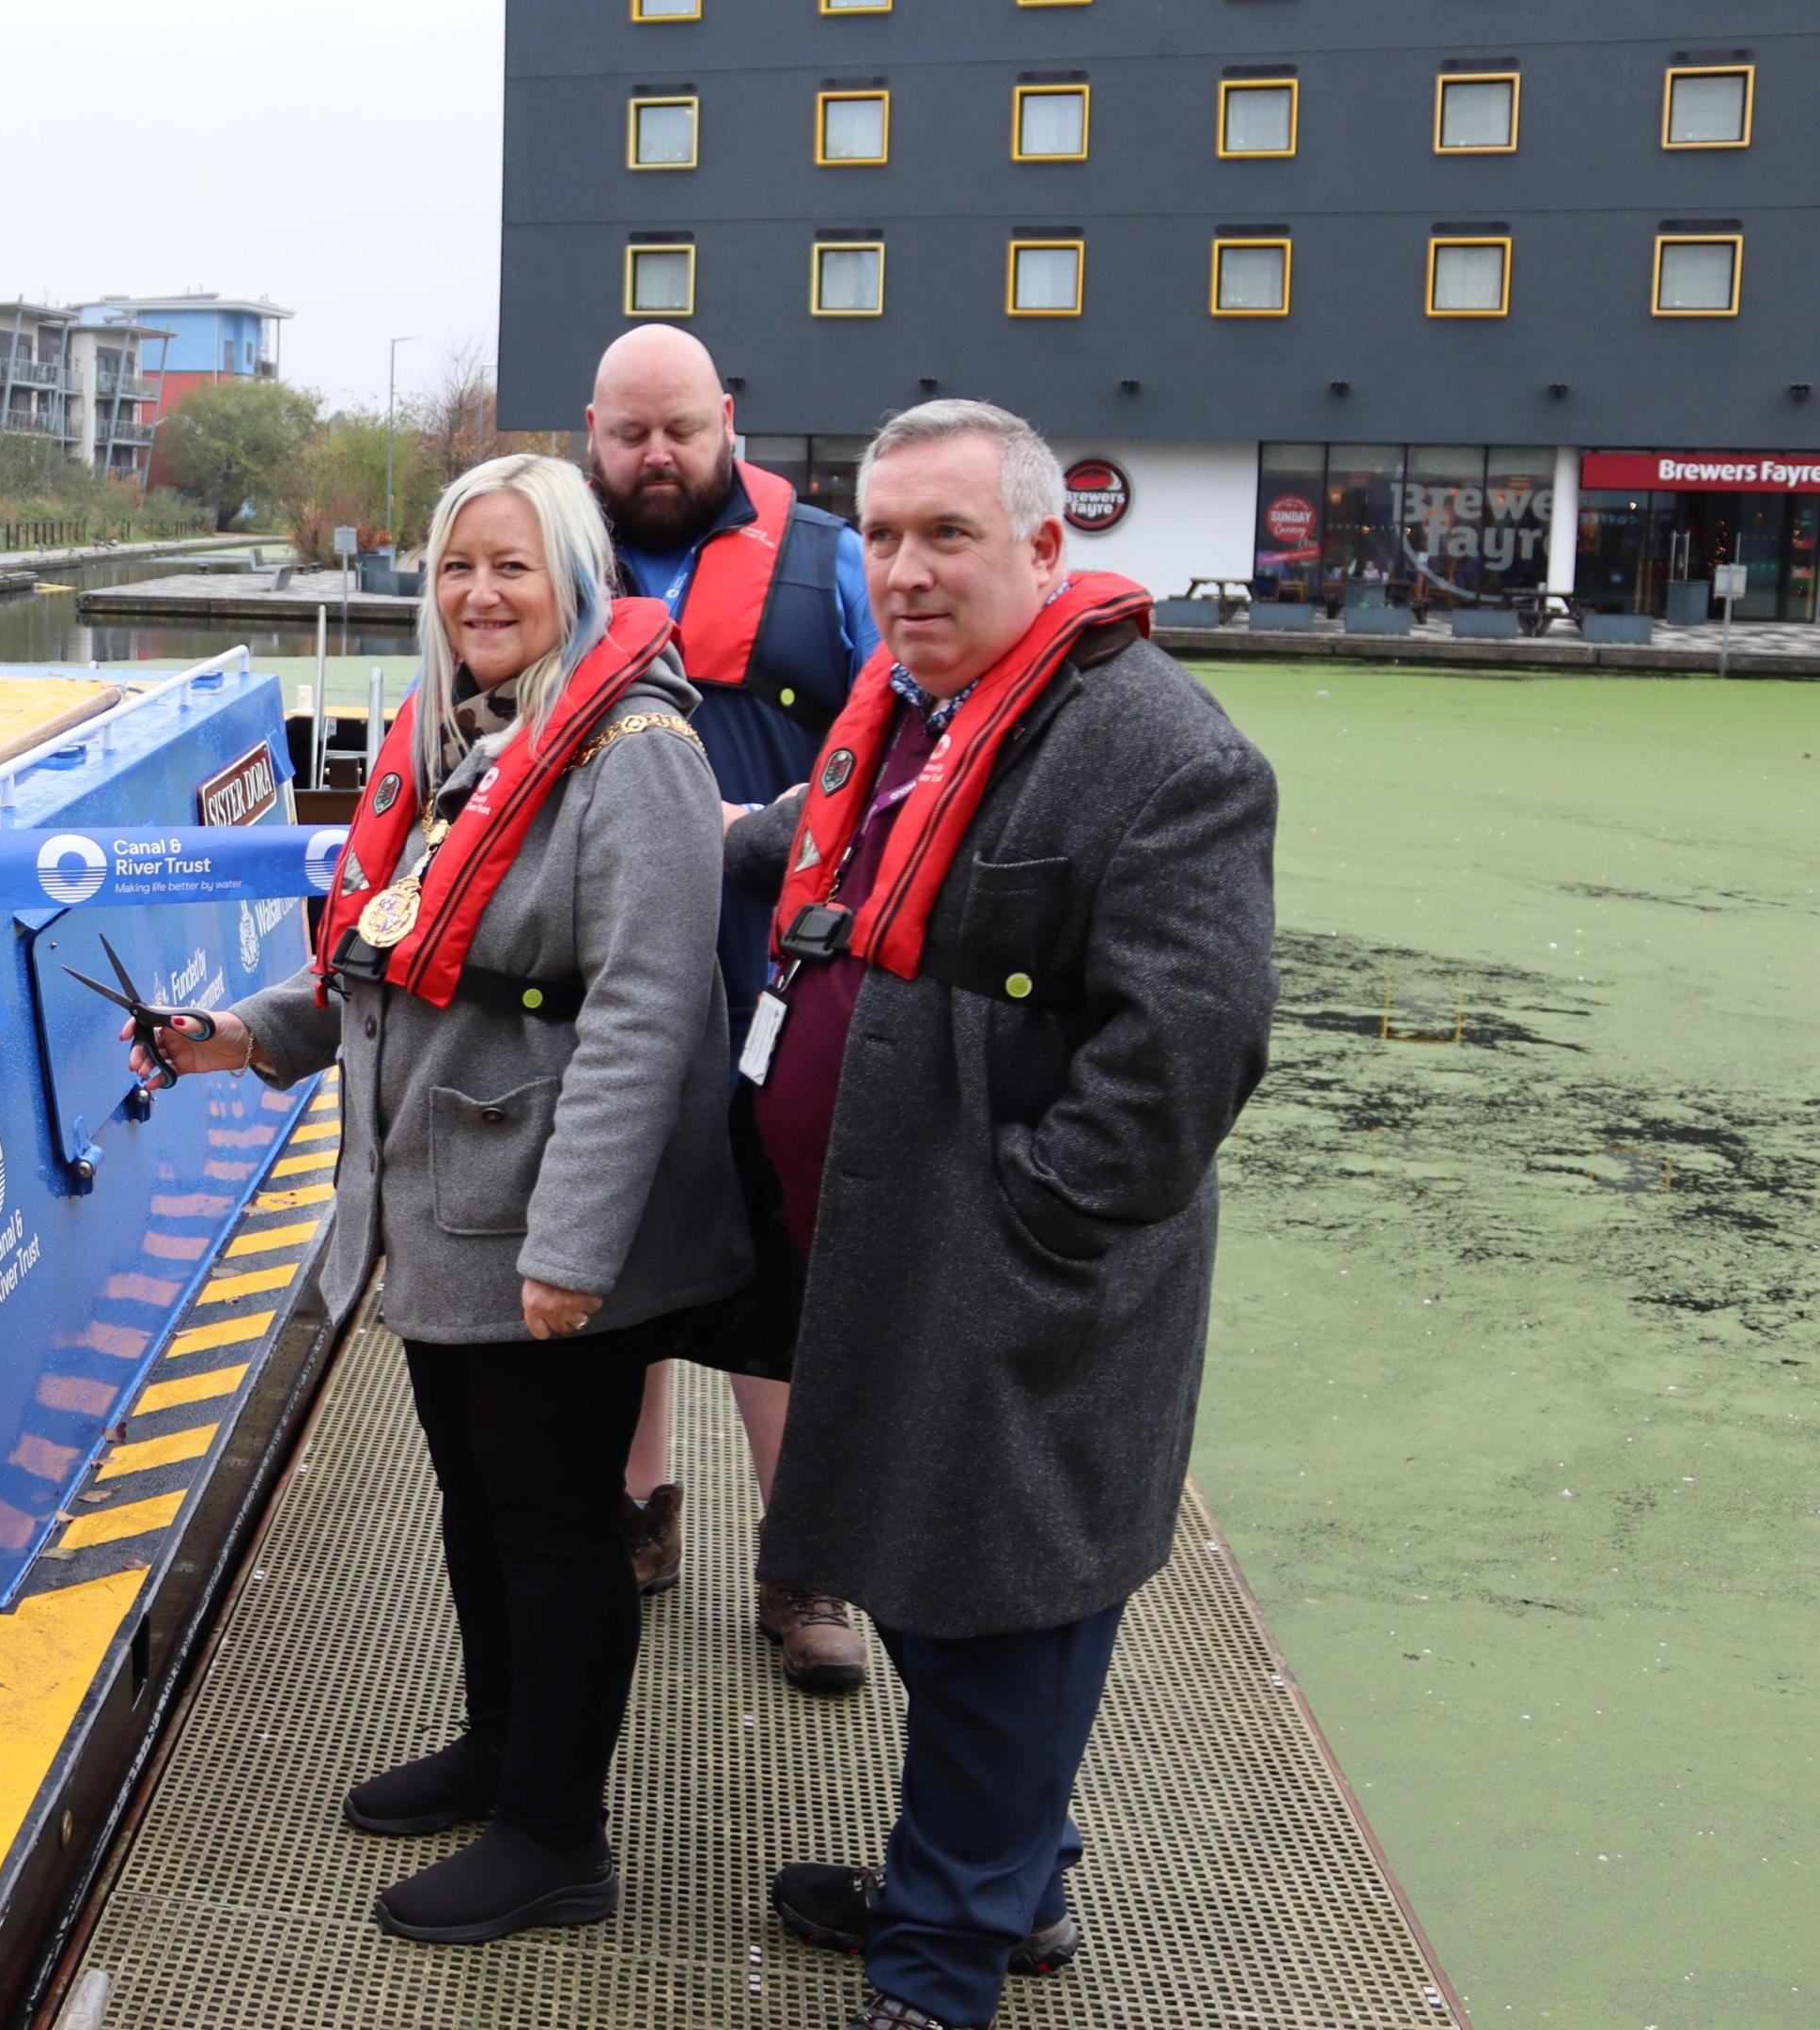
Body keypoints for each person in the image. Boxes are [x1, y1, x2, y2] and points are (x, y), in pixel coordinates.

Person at [140, 454, 751, 1944]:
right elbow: (390, 946)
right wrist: (247, 1036)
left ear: (577, 584)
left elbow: (648, 1011)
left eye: (514, 568)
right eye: (457, 567)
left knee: (556, 1519)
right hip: (439, 1202)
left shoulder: (636, 753)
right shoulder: (459, 742)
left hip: (543, 1218)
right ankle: (501, 1747)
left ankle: (557, 1836)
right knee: (477, 1500)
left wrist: (577, 1247)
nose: (479, 595)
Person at [723, 401, 1278, 2030]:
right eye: (881, 537)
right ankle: (1006, 1884)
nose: (904, 571)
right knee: (930, 1591)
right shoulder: (897, 715)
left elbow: (1187, 1056)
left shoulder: (1165, 756)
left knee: (1003, 1614)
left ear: (1047, 547)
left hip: (1014, 1285)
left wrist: (1026, 1224)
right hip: (875, 1257)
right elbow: (793, 852)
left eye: (946, 536)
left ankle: (941, 1966)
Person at [585, 324, 885, 1694]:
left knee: (790, 1256)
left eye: (681, 432)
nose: (657, 458)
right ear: (591, 430)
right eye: (631, 433)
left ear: (728, 424)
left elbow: (899, 746)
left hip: (780, 960)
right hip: (596, 958)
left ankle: (804, 1553)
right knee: (613, 1223)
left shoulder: (831, 564)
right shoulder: (536, 554)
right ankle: (638, 1510)